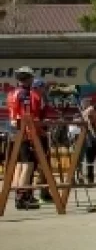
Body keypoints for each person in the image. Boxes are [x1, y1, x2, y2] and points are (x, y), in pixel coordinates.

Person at [5, 67, 48, 209]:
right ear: (28, 78)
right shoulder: (25, 94)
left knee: (20, 164)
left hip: (14, 131)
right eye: (31, 77)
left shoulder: (12, 92)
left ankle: (22, 194)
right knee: (28, 165)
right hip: (25, 132)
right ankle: (22, 197)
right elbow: (28, 115)